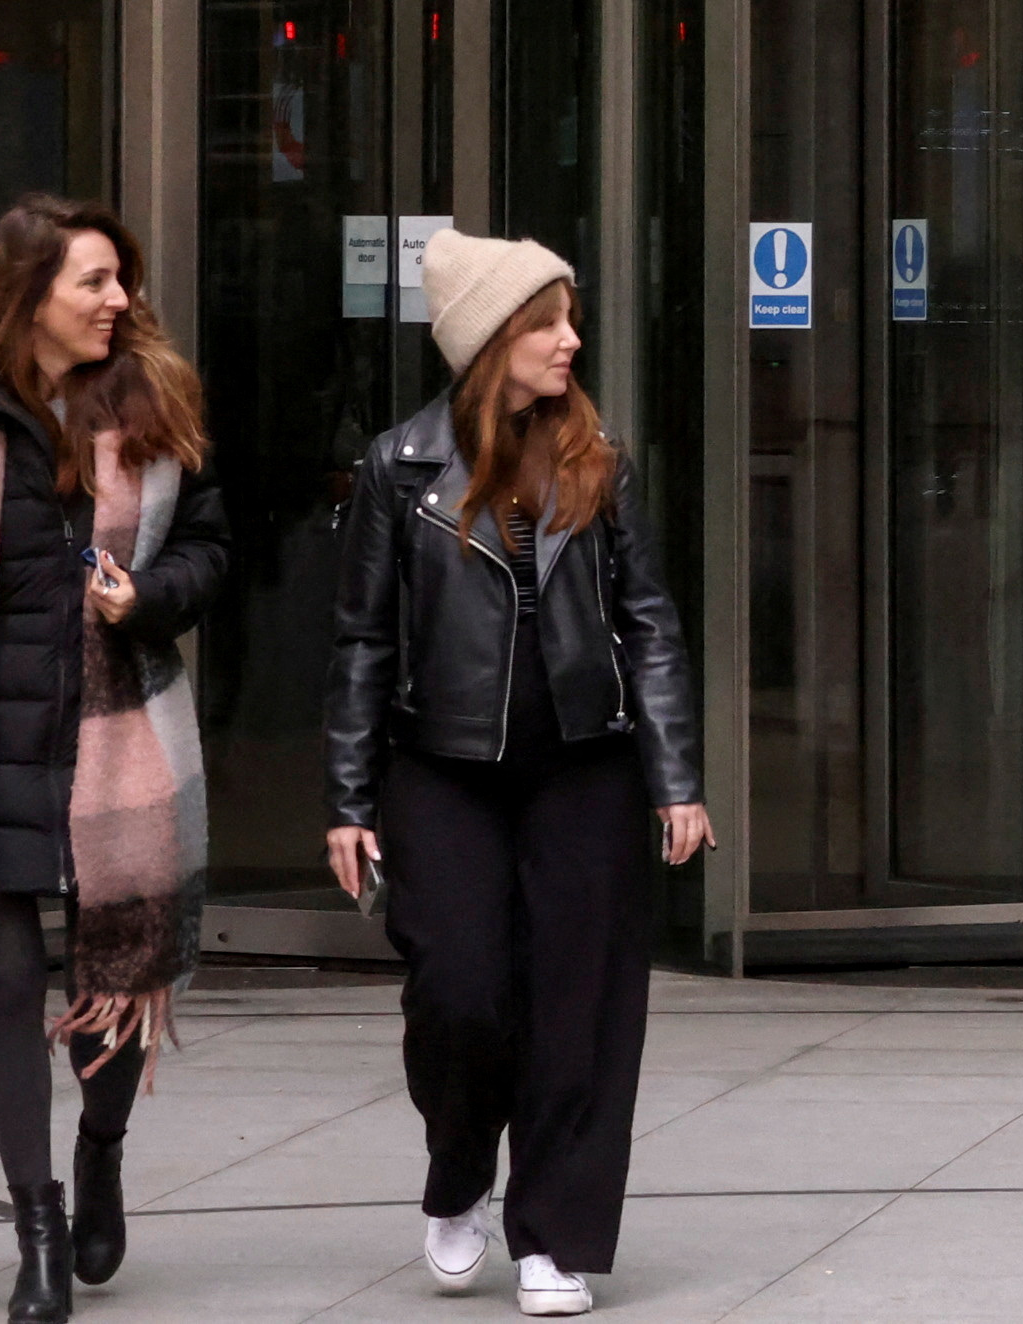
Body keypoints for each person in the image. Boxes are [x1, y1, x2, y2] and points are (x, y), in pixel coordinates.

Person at [324, 232, 708, 1321]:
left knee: (579, 1005)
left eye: (569, 317)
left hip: (585, 766)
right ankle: (458, 1165)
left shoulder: (601, 459)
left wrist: (675, 774)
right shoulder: (400, 468)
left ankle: (553, 1232)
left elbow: (652, 626)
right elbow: (360, 642)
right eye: (546, 321)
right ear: (489, 341)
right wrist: (348, 799)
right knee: (461, 990)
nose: (570, 339)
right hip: (440, 768)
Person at [0, 195, 229, 1321]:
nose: (119, 299)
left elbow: (215, 547)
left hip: (122, 738)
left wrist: (151, 595)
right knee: (10, 981)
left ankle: (103, 1146)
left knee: (115, 975)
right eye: (94, 281)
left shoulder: (154, 397)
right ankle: (36, 1226)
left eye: (123, 279)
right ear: (33, 297)